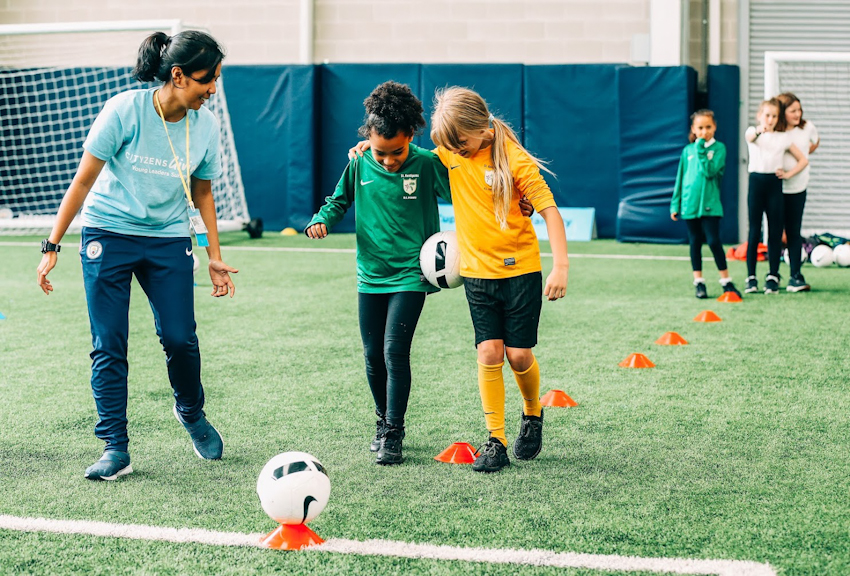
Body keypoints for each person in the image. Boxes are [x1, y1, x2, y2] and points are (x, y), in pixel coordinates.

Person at [36, 30, 238, 481]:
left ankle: (190, 411)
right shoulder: (124, 109)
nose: (213, 89)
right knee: (109, 343)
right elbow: (83, 181)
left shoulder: (204, 125)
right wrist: (52, 245)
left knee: (180, 337)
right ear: (179, 75)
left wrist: (213, 255)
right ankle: (115, 447)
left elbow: (203, 193)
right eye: (208, 79)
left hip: (168, 238)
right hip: (109, 233)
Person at [306, 81, 453, 466]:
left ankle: (394, 431)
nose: (388, 160)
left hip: (410, 274)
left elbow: (464, 192)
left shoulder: (425, 163)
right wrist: (322, 219)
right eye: (380, 152)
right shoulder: (358, 162)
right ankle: (381, 420)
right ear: (367, 140)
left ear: (412, 137)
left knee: (394, 351)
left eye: (397, 151)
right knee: (372, 356)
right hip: (369, 274)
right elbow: (338, 201)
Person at [429, 87, 569, 473]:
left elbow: (549, 211)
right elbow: (411, 156)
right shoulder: (452, 152)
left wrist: (561, 266)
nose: (455, 151)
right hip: (476, 275)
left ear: (483, 130)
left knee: (518, 355)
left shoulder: (515, 160)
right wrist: (362, 150)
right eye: (449, 146)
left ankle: (532, 413)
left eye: (460, 143)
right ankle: (495, 440)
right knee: (489, 352)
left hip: (521, 272)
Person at [671, 109, 740, 299]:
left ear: (715, 127)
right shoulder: (687, 151)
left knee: (713, 241)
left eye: (708, 127)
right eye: (700, 128)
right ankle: (699, 282)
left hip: (710, 205)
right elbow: (681, 178)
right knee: (694, 242)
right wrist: (675, 205)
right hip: (690, 205)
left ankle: (726, 280)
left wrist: (701, 149)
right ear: (693, 129)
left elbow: (710, 172)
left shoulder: (719, 149)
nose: (704, 132)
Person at [744, 99, 807, 294]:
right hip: (756, 183)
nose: (770, 119)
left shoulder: (783, 138)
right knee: (755, 230)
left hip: (774, 185)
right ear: (759, 115)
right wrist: (760, 129)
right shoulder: (753, 132)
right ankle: (751, 276)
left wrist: (788, 174)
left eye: (774, 116)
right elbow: (751, 136)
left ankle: (772, 275)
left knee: (775, 231)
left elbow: (803, 160)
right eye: (767, 115)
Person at [775, 92, 820, 292]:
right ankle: (772, 275)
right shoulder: (776, 131)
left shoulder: (807, 127)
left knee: (794, 232)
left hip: (798, 187)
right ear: (782, 112)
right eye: (792, 110)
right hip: (776, 189)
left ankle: (795, 275)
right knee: (776, 233)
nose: (797, 114)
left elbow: (815, 142)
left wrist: (801, 155)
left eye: (799, 110)